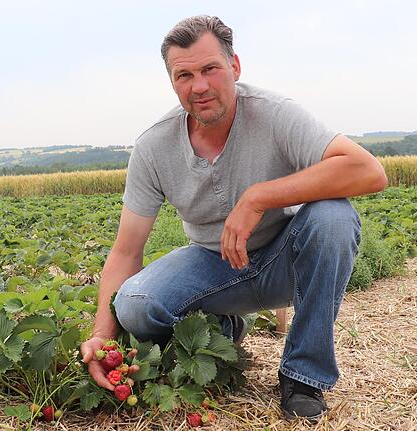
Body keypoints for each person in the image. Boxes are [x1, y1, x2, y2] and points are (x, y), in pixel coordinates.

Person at [80, 15, 387, 422]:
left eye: (210, 69)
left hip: (285, 258)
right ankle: (223, 330)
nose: (199, 86)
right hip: (213, 265)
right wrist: (103, 335)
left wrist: (259, 197)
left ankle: (303, 376)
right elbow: (125, 251)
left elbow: (368, 171)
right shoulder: (154, 146)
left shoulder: (275, 114)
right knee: (134, 305)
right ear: (173, 83)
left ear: (234, 66)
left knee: (333, 216)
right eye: (184, 75)